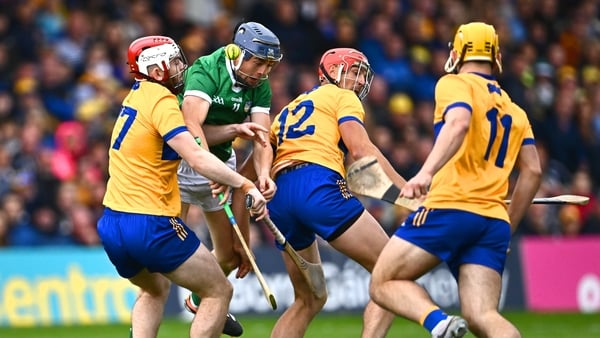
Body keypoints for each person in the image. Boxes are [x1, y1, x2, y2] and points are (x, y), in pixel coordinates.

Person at [369, 22, 542, 338]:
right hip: (493, 223)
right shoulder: (515, 110)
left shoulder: (454, 83)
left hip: (451, 208)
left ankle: (439, 324)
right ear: (497, 57)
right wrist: (509, 224)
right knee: (482, 315)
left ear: (457, 52)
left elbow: (459, 123)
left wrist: (426, 172)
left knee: (382, 283)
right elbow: (533, 171)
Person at [96, 35, 267, 338]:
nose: (181, 67)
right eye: (174, 61)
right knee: (218, 291)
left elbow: (189, 140)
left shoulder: (135, 96)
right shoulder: (163, 101)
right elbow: (198, 156)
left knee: (155, 288)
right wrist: (243, 184)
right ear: (157, 69)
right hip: (150, 224)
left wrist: (233, 129)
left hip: (112, 224)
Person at [267, 47, 404, 338]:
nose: (358, 80)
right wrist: (406, 191)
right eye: (353, 71)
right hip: (317, 186)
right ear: (329, 72)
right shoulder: (343, 97)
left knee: (309, 298)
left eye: (362, 74)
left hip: (279, 196)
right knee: (392, 272)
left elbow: (255, 167)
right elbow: (360, 150)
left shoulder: (286, 111)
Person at [176, 21, 281, 335]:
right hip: (181, 165)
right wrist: (210, 168)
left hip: (220, 161)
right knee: (162, 254)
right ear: (239, 53)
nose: (263, 71)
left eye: (269, 66)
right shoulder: (205, 70)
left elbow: (261, 135)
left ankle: (200, 299)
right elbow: (191, 127)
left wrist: (263, 176)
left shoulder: (259, 85)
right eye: (259, 62)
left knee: (230, 255)